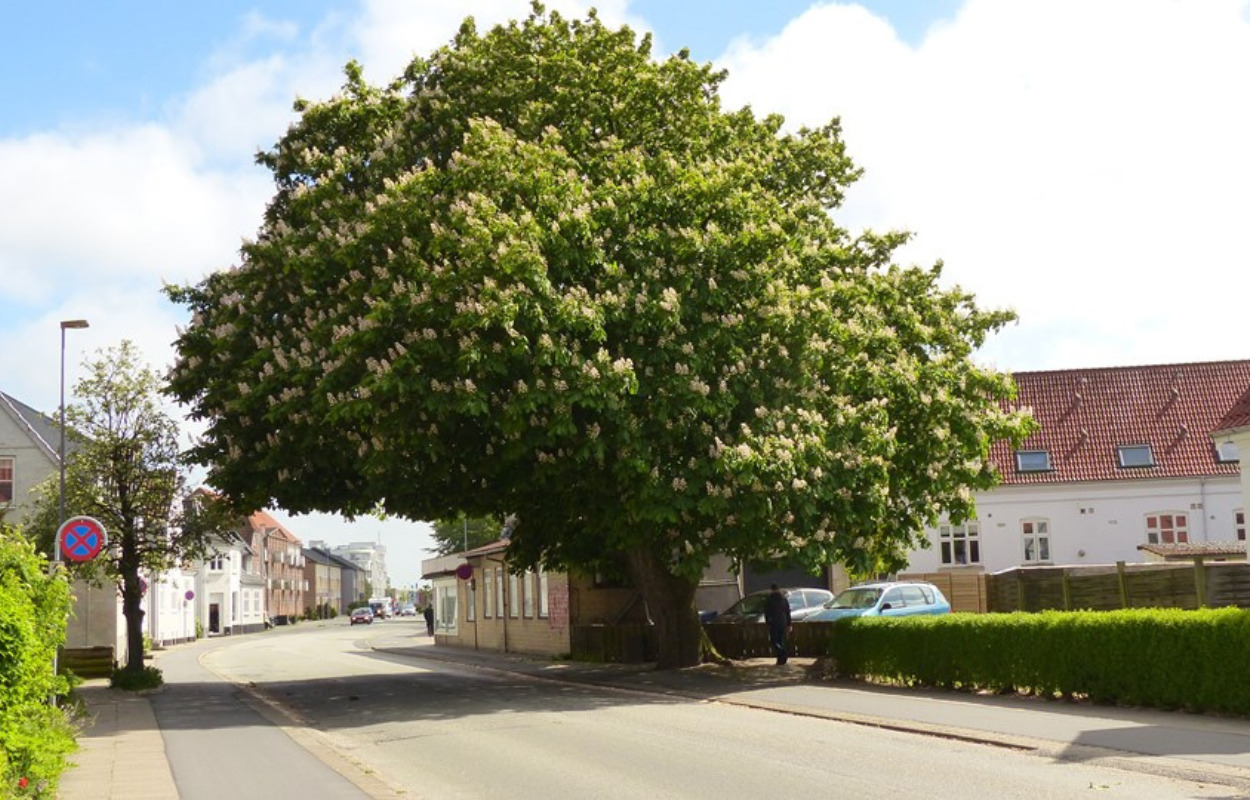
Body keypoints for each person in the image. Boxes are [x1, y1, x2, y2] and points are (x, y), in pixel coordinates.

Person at [763, 584, 792, 665]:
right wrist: (789, 624)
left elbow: (767, 612)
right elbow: (788, 611)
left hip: (774, 623)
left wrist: (768, 623)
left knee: (774, 641)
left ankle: (782, 653)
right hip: (783, 622)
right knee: (781, 640)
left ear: (771, 589)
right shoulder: (783, 599)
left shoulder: (769, 599)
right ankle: (781, 659)